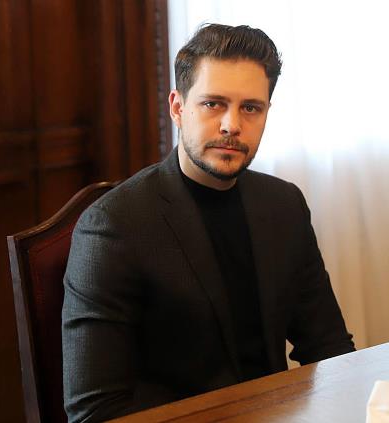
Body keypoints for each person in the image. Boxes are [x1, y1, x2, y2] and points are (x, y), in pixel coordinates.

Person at [62, 23, 354, 422]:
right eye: (213, 104)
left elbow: (330, 349)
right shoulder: (113, 226)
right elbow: (94, 413)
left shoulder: (284, 205)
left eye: (250, 108)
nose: (232, 125)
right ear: (177, 108)